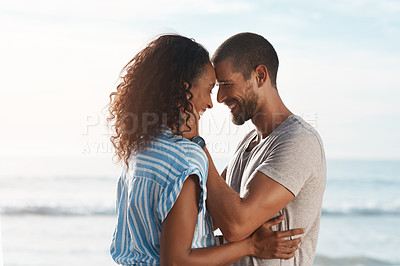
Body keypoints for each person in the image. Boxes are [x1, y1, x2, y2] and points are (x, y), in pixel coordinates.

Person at [107, 34, 304, 265]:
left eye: (224, 86)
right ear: (184, 90)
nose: (213, 101)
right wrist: (252, 245)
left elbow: (201, 219)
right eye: (211, 89)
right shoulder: (186, 157)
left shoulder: (139, 150)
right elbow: (178, 260)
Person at [200, 33, 327, 265]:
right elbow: (209, 215)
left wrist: (197, 145)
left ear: (259, 76)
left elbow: (236, 224)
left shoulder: (299, 141)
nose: (219, 98)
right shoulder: (249, 142)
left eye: (226, 85)